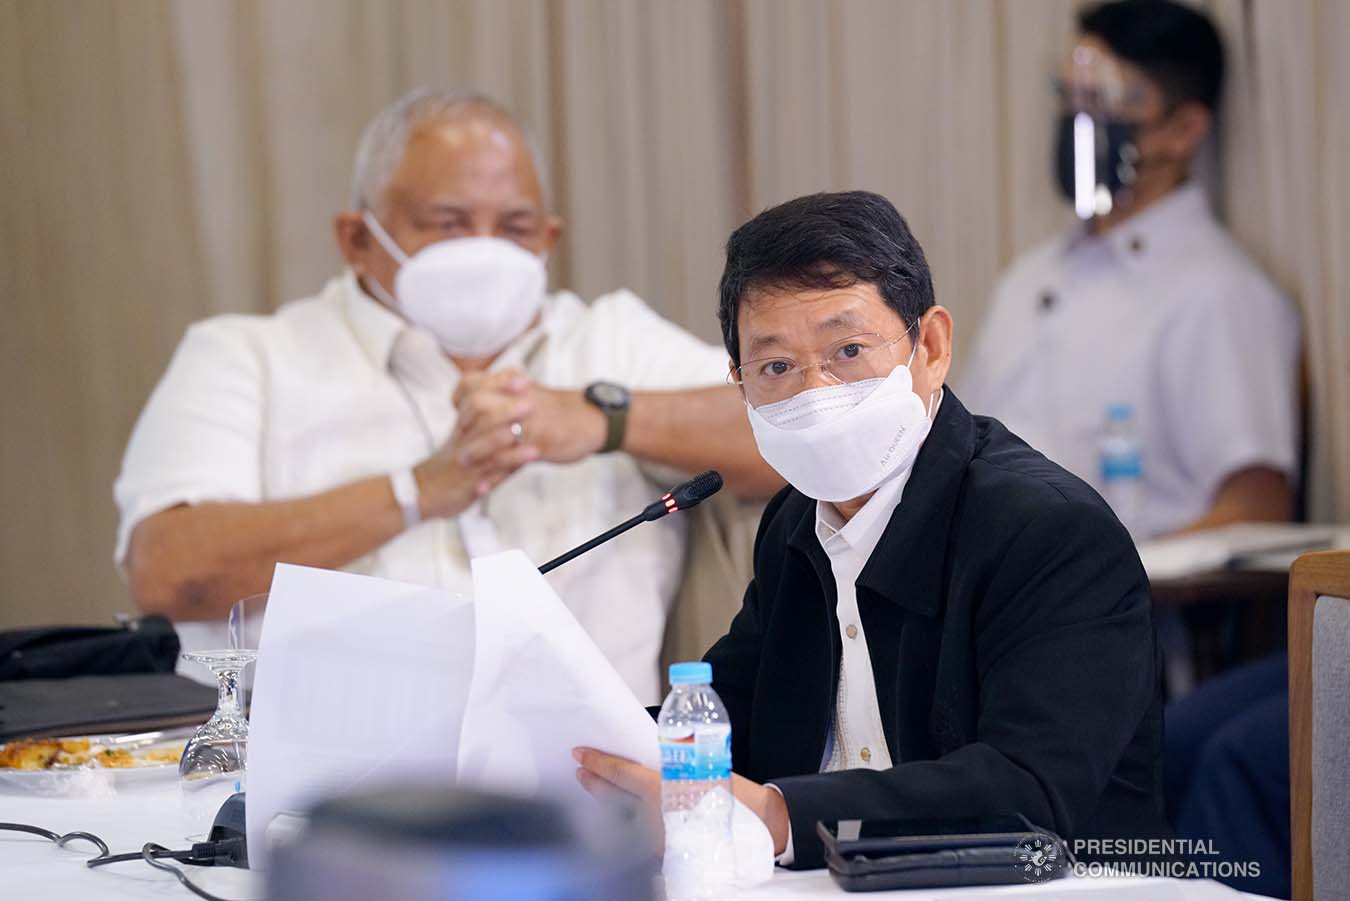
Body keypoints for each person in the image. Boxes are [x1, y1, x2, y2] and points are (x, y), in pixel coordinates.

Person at [114, 88, 781, 704]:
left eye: (515, 229)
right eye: (449, 223)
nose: (484, 251)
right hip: (316, 789)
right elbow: (169, 569)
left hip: (588, 784)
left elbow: (790, 435)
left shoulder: (607, 340)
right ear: (356, 239)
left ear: (548, 239)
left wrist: (605, 418)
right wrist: (413, 491)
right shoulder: (246, 357)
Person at [576, 190, 1166, 868]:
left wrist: (774, 816)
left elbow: (1030, 790)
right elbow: (724, 710)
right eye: (776, 368)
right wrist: (583, 749)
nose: (816, 393)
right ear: (738, 382)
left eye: (849, 350)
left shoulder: (1050, 534)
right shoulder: (796, 522)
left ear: (932, 346)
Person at [960, 0, 1299, 540]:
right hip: (985, 599)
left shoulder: (1220, 293)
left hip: (1125, 609)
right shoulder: (1028, 279)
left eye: (1101, 100)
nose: (1077, 120)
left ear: (1183, 129)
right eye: (1067, 96)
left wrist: (1100, 581)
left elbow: (1256, 506)